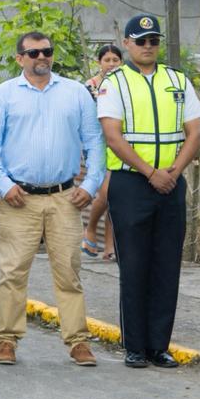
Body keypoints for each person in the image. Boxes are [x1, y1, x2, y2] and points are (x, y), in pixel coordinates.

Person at [0, 32, 105, 367]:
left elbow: (94, 141)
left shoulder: (75, 93)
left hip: (65, 197)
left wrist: (91, 184)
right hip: (18, 198)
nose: (41, 57)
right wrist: (3, 186)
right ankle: (7, 339)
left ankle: (78, 341)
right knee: (12, 272)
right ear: (19, 58)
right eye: (33, 52)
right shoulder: (2, 95)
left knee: (69, 272)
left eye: (46, 51)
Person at [97, 14, 200, 369]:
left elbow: (195, 133)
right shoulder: (115, 82)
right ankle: (135, 346)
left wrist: (173, 172)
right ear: (126, 43)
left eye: (153, 41)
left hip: (170, 183)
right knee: (134, 264)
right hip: (131, 183)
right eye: (140, 40)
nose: (147, 46)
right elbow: (113, 136)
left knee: (166, 266)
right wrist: (150, 173)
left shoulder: (177, 80)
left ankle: (159, 346)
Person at [83, 44, 124, 261]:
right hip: (98, 144)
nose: (111, 64)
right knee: (106, 192)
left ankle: (109, 246)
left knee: (115, 196)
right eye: (107, 60)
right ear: (99, 62)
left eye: (115, 60)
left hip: (119, 142)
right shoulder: (89, 87)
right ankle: (90, 228)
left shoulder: (125, 84)